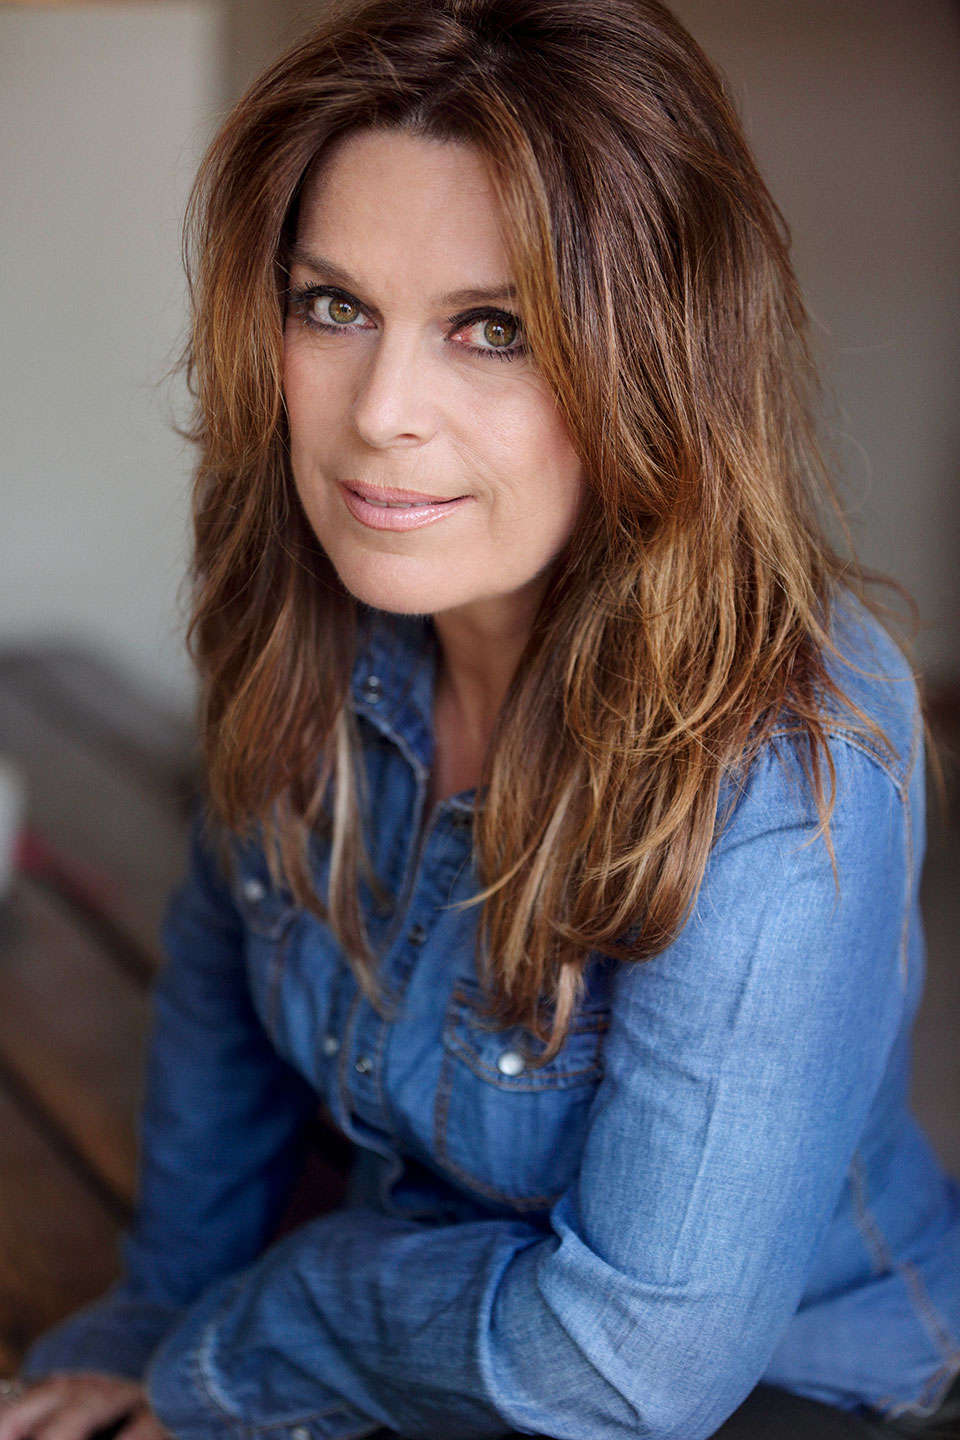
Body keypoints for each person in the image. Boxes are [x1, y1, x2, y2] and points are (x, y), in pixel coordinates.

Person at [2, 1, 959, 1436]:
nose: (380, 412)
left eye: (493, 329)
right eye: (335, 306)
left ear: (658, 362)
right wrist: (156, 1317)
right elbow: (224, 969)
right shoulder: (323, 595)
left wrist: (240, 1343)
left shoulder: (791, 748)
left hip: (768, 1386)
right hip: (417, 1311)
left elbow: (634, 1367)